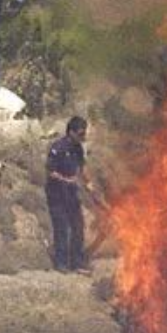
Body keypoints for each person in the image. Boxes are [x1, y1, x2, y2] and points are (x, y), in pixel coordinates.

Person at [46, 116, 93, 274]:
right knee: (61, 228)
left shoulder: (78, 148)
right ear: (71, 132)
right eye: (80, 133)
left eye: (84, 133)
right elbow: (50, 172)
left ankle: (77, 262)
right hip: (56, 194)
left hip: (71, 194)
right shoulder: (58, 147)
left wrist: (88, 182)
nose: (83, 136)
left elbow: (82, 168)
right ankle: (61, 263)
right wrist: (67, 180)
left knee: (78, 226)